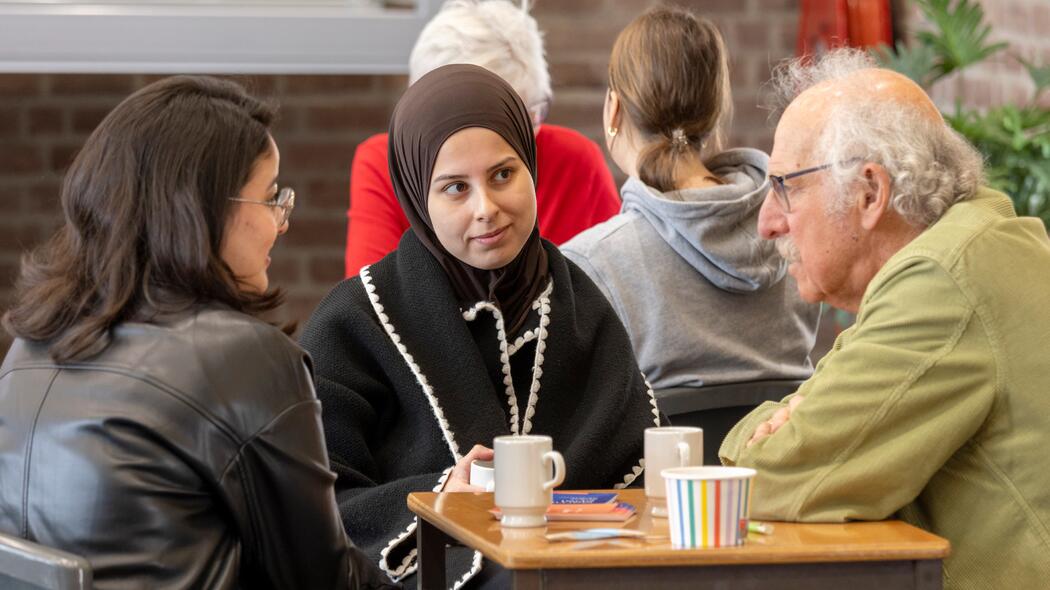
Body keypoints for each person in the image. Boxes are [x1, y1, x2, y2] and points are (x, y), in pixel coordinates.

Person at [0, 76, 394, 589]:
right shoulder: (244, 357)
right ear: (200, 210)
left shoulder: (30, 346)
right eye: (271, 197)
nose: (282, 222)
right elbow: (323, 579)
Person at [301, 64, 660, 588]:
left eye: (502, 175)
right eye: (453, 188)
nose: (486, 209)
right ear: (416, 199)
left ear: (531, 167)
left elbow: (644, 470)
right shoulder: (355, 322)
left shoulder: (581, 304)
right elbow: (321, 501)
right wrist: (444, 491)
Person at [719, 49, 1050, 590]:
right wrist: (800, 418)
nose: (768, 223)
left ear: (870, 192)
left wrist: (779, 428)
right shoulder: (969, 247)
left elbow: (768, 477)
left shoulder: (939, 281)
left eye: (785, 187)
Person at [560, 6, 819, 463]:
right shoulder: (793, 235)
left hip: (656, 514)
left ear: (613, 109)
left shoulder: (592, 262)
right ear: (716, 111)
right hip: (782, 492)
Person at [345, 0, 620, 277]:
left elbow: (615, 285)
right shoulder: (383, 162)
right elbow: (372, 302)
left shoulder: (576, 160)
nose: (486, 209)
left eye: (526, 117)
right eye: (456, 186)